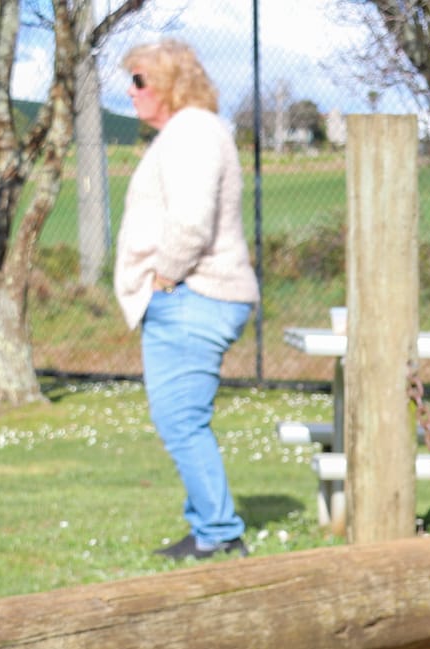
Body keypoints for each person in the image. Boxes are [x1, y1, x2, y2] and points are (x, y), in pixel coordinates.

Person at [114, 40, 260, 561]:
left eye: (138, 80)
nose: (129, 92)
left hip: (190, 296)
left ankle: (219, 532)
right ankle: (208, 527)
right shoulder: (192, 131)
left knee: (180, 420)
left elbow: (192, 223)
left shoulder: (193, 131)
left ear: (170, 83)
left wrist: (162, 278)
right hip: (191, 296)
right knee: (182, 418)